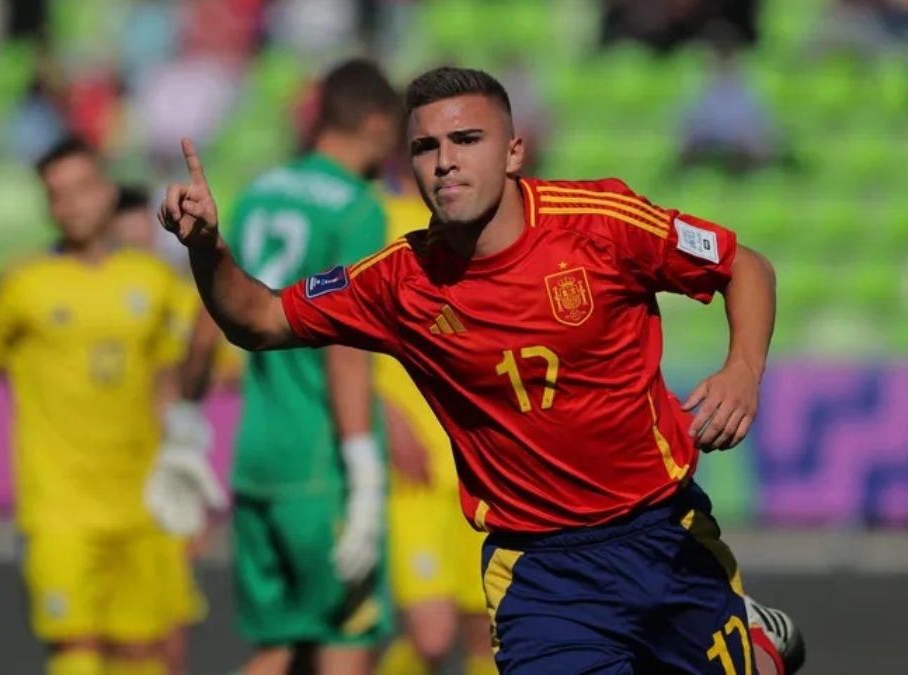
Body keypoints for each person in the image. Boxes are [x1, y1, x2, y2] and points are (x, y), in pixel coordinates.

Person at [156, 66, 807, 674]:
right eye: (425, 147)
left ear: (513, 151)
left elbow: (743, 266)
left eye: (466, 140)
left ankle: (753, 644)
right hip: (542, 575)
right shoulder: (400, 281)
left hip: (664, 535)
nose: (445, 161)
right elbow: (260, 318)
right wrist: (207, 248)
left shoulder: (600, 223)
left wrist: (742, 370)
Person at [0, 137, 220, 675]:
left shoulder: (152, 282)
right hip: (59, 510)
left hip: (142, 507)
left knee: (144, 658)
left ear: (108, 192)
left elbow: (171, 388)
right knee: (75, 652)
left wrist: (186, 473)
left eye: (82, 188)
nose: (72, 203)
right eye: (57, 194)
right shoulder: (21, 283)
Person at [156, 59, 403, 675]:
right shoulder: (358, 209)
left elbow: (211, 313)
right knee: (345, 640)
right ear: (377, 123)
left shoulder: (262, 190)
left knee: (278, 650)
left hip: (257, 461)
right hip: (324, 461)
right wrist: (364, 478)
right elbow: (346, 345)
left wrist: (183, 425)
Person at [373, 152, 496, 675]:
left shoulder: (487, 221)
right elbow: (338, 331)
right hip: (414, 472)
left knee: (487, 633)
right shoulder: (372, 218)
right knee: (431, 636)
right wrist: (385, 415)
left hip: (479, 464)